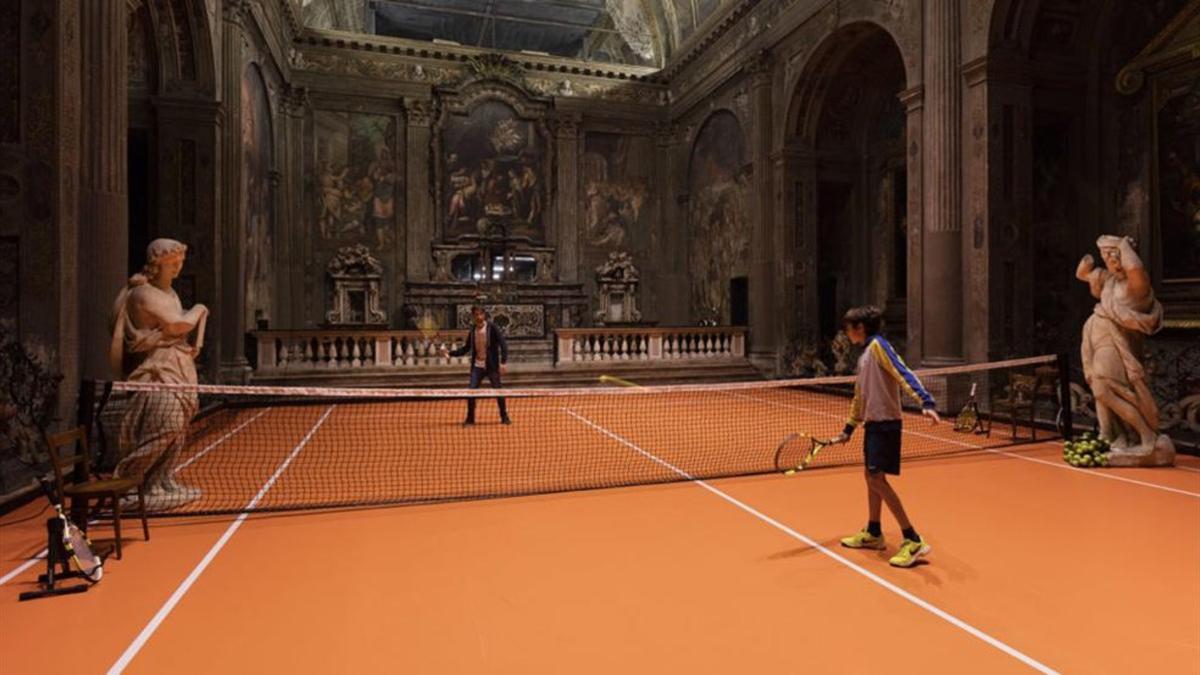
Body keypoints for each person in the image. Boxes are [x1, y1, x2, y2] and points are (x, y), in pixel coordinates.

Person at [831, 306, 940, 568]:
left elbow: (903, 372)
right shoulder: (865, 356)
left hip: (887, 425)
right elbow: (861, 396)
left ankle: (912, 539)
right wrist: (849, 428)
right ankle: (874, 532)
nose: (846, 334)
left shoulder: (879, 346)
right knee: (871, 478)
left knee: (876, 479)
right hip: (873, 425)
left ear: (860, 328)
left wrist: (925, 400)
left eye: (848, 328)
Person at [109, 238, 208, 509]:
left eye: (179, 263)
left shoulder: (170, 294)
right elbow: (177, 325)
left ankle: (159, 480)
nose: (177, 268)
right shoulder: (144, 295)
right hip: (157, 372)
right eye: (172, 264)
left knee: (179, 431)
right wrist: (198, 309)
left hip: (177, 367)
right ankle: (128, 481)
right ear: (157, 264)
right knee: (166, 427)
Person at [441, 305, 511, 426]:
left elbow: (503, 345)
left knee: (498, 391)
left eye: (480, 314)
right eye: (476, 315)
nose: (478, 317)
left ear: (484, 315)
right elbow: (466, 348)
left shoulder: (492, 328)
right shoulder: (473, 330)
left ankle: (504, 417)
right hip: (477, 367)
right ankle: (470, 419)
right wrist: (450, 353)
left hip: (492, 366)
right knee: (471, 392)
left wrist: (503, 362)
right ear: (473, 316)